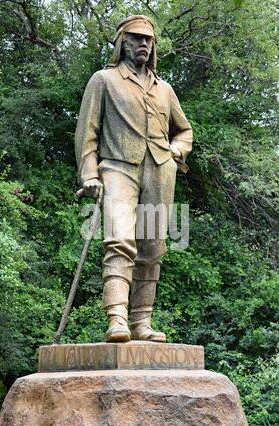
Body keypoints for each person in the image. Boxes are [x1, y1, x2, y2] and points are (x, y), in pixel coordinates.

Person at [75, 15, 193, 343]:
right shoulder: (103, 80)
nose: (143, 44)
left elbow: (184, 129)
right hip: (117, 169)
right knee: (119, 239)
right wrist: (89, 174)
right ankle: (117, 319)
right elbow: (87, 134)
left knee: (153, 247)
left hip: (159, 171)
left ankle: (142, 323)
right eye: (136, 38)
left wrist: (175, 151)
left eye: (148, 40)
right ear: (122, 42)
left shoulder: (164, 90)